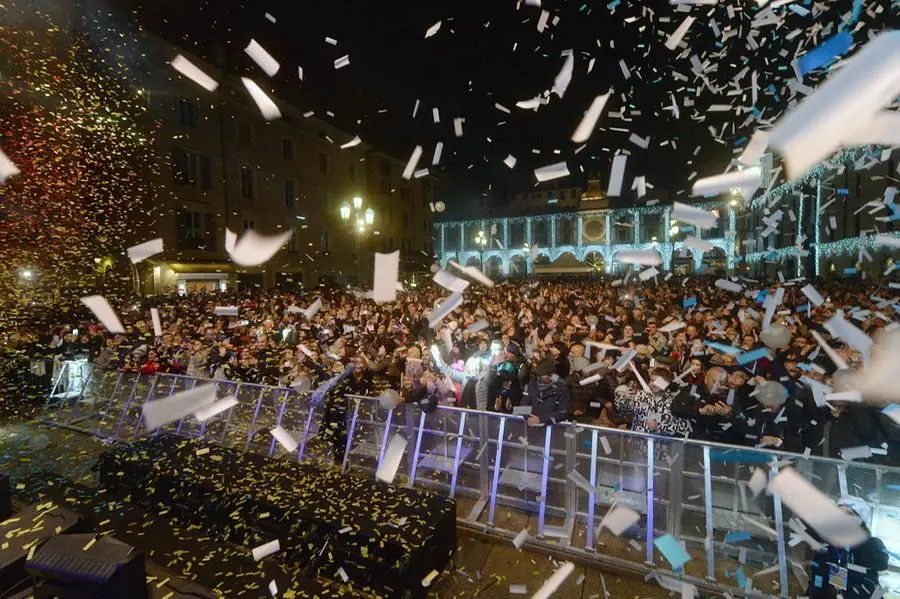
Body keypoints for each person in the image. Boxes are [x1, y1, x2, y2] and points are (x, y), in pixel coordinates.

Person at [806, 496, 888, 599]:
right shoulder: (827, 545)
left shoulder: (869, 545)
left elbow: (881, 564)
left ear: (860, 521)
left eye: (849, 514)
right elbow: (818, 578)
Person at [520, 359, 570, 426]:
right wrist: (528, 417)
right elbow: (523, 404)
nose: (540, 377)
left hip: (551, 429)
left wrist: (541, 419)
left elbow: (563, 413)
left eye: (543, 374)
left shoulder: (562, 388)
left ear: (551, 375)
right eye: (539, 374)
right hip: (531, 426)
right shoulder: (530, 384)